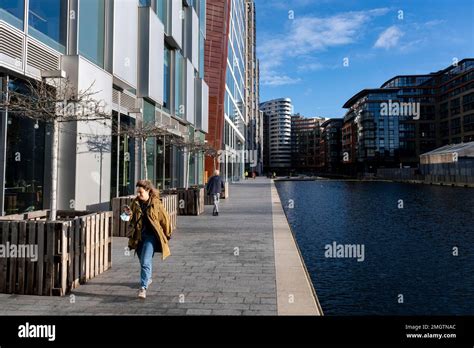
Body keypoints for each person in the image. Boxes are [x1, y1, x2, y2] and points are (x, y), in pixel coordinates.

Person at [127, 180, 172, 299]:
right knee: (143, 261)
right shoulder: (135, 203)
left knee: (146, 261)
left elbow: (165, 220)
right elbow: (128, 218)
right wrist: (126, 214)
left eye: (140, 192)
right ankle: (148, 278)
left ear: (148, 191)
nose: (138, 194)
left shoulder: (156, 203)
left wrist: (167, 235)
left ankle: (143, 288)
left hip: (151, 237)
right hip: (138, 237)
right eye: (137, 192)